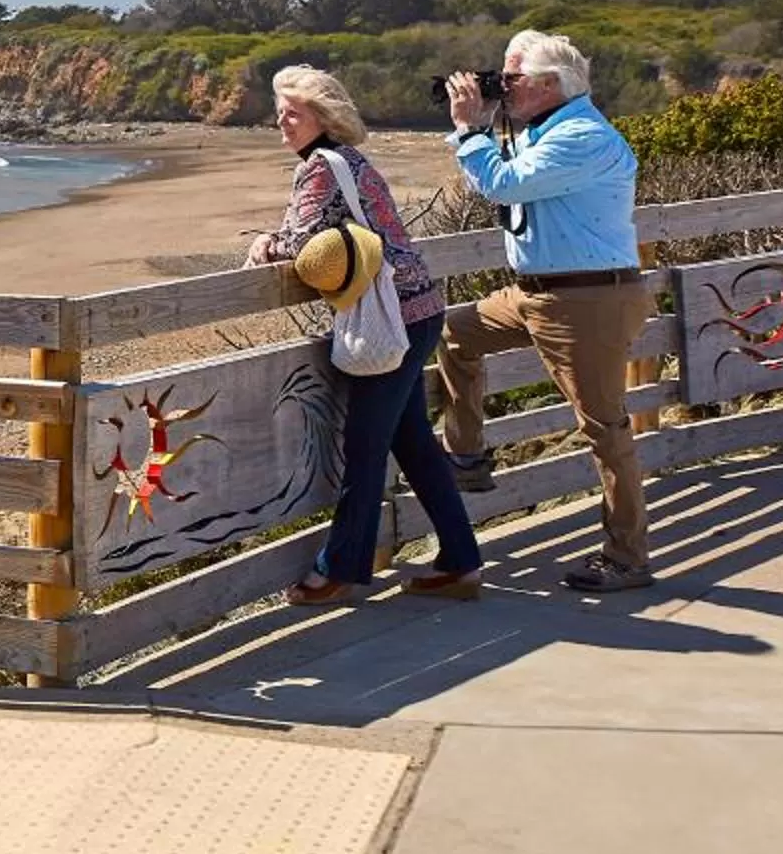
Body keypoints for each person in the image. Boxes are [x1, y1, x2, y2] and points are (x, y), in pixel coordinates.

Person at [244, 65, 485, 605]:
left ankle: (341, 568)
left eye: (293, 113)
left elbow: (305, 248)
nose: (281, 122)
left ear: (322, 118)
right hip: (419, 311)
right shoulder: (350, 161)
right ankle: (461, 560)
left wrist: (267, 242)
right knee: (412, 443)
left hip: (393, 316)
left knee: (365, 445)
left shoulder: (320, 169)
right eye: (279, 111)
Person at [432, 31, 653, 592]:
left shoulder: (580, 136)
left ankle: (627, 557)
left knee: (604, 428)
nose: (501, 89)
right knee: (455, 333)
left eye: (511, 80)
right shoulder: (542, 131)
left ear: (549, 85)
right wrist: (483, 126)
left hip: (586, 300)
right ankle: (467, 455)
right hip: (537, 292)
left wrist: (468, 128)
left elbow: (504, 186)